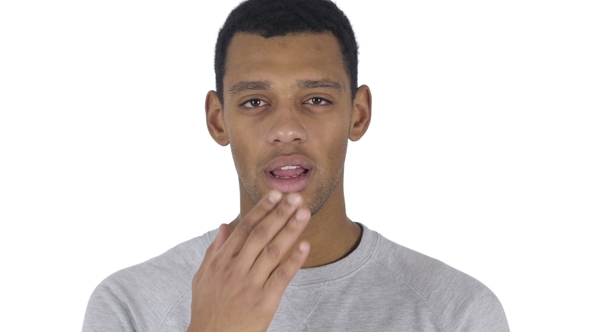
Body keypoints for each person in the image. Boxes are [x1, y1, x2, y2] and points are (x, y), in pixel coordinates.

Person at [83, 0, 510, 331]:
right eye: (255, 102)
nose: (286, 129)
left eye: (317, 100)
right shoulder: (131, 306)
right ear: (218, 120)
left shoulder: (458, 312)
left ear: (358, 115)